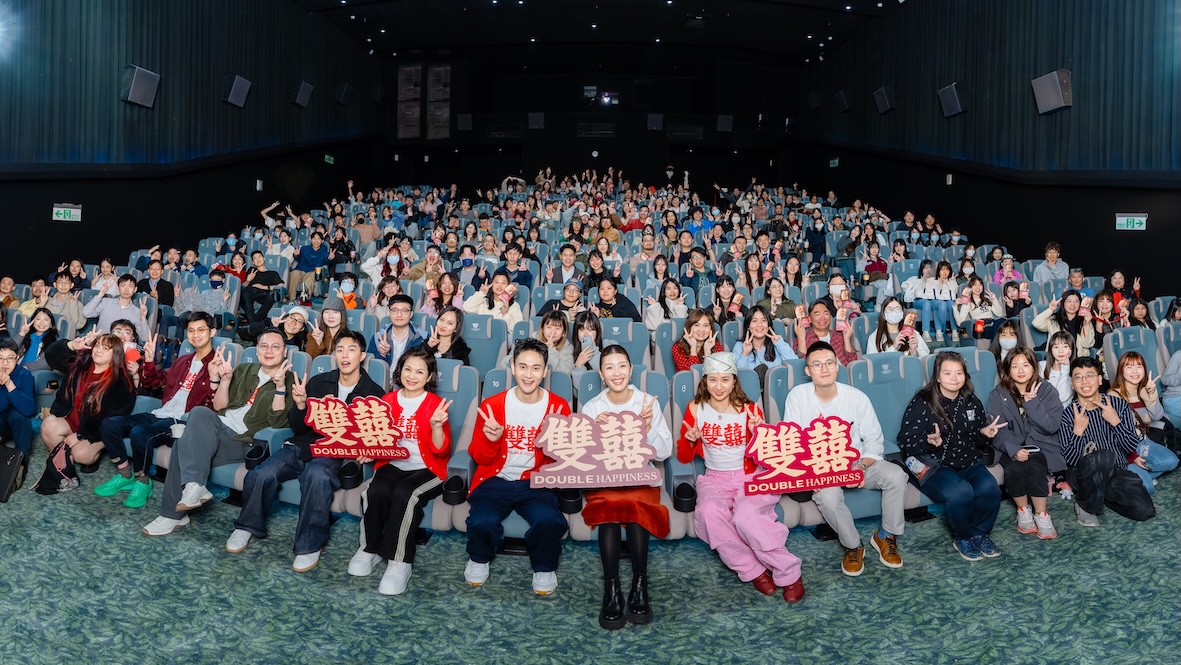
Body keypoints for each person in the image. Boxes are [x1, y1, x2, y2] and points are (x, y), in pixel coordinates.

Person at [227, 330, 385, 572]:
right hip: (302, 444)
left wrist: (367, 445)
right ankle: (247, 526)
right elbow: (299, 427)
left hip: (334, 452)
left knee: (317, 476)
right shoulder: (319, 382)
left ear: (362, 355)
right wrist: (301, 405)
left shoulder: (374, 393)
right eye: (340, 350)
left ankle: (310, 545)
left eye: (351, 350)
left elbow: (374, 434)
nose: (345, 355)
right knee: (261, 474)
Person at [142, 327, 295, 537]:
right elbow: (220, 407)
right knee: (196, 419)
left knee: (183, 442)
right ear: (257, 350)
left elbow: (278, 423)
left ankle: (174, 513)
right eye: (264, 346)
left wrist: (280, 388)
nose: (269, 351)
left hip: (244, 441)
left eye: (275, 347)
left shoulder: (291, 381)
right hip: (218, 429)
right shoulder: (244, 370)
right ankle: (192, 490)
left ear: (285, 351)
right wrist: (223, 380)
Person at [677, 352, 804, 603]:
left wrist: (758, 434)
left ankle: (789, 573)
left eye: (725, 379)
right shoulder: (694, 408)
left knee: (747, 518)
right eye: (713, 380)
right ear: (705, 381)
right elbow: (683, 458)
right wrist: (689, 441)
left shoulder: (750, 409)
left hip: (751, 477)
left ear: (734, 381)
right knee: (709, 514)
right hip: (715, 479)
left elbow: (767, 457)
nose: (719, 386)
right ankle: (752, 569)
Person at [782, 341, 908, 575]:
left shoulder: (856, 397)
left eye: (829, 363)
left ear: (837, 366)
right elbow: (794, 442)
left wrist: (860, 466)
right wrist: (815, 471)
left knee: (896, 476)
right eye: (817, 365)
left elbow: (874, 442)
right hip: (819, 467)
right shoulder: (797, 397)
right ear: (807, 370)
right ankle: (853, 546)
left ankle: (886, 535)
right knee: (828, 497)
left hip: (856, 462)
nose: (824, 369)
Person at [464, 339, 572, 595]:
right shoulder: (492, 406)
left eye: (536, 368)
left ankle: (544, 566)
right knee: (481, 520)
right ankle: (479, 557)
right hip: (496, 478)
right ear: (512, 367)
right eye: (522, 367)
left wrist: (553, 444)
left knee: (548, 520)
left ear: (545, 371)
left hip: (536, 481)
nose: (528, 374)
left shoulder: (559, 407)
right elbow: (479, 457)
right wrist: (491, 440)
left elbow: (564, 460)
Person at [576, 346, 673, 627]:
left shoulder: (647, 402)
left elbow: (664, 452)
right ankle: (612, 587)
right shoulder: (593, 407)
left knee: (635, 505)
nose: (616, 373)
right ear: (601, 373)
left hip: (640, 475)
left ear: (631, 370)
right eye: (609, 367)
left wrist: (647, 427)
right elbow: (582, 459)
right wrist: (593, 433)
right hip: (604, 477)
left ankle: (640, 583)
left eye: (622, 366)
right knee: (608, 508)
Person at [96, 315, 218, 509]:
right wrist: (149, 361)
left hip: (182, 421)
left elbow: (216, 405)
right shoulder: (183, 361)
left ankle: (143, 481)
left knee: (139, 433)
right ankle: (125, 474)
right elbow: (155, 382)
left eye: (201, 330)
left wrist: (216, 378)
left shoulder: (217, 364)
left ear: (212, 332)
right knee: (110, 424)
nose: (195, 334)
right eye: (191, 330)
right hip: (160, 413)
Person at [898, 351, 1005, 561]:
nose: (954, 378)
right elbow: (905, 441)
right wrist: (928, 442)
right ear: (937, 377)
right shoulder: (922, 402)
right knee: (961, 492)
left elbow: (975, 438)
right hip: (933, 465)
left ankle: (980, 534)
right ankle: (962, 537)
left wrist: (984, 433)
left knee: (990, 488)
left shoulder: (971, 400)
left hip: (966, 460)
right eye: (947, 373)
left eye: (959, 373)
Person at [1059, 357, 1155, 527]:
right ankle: (1085, 505)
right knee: (1104, 456)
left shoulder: (1118, 405)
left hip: (1116, 472)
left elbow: (1130, 447)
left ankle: (1100, 493)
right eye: (1078, 377)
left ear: (1099, 379)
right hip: (1082, 474)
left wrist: (1116, 422)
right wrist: (1077, 432)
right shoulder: (1068, 414)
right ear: (1072, 383)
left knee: (1144, 510)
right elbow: (1070, 460)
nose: (1084, 381)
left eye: (1090, 375)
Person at [988, 347, 1065, 540]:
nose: (1021, 370)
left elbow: (1051, 426)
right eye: (1015, 366)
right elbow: (997, 430)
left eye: (1026, 365)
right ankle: (1023, 510)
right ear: (1008, 369)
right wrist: (1014, 450)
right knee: (1014, 468)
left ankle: (1041, 514)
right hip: (1009, 447)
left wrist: (1032, 403)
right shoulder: (998, 394)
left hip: (1041, 445)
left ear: (1034, 367)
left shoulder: (1047, 390)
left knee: (1034, 465)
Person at [40, 333, 137, 471]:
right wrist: (71, 345)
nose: (99, 350)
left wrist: (80, 435)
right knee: (48, 425)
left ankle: (92, 449)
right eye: (97, 345)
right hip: (71, 420)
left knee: (81, 455)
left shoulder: (119, 381)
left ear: (115, 354)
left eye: (105, 348)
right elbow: (51, 357)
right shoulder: (81, 363)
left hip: (95, 430)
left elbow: (109, 418)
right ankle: (63, 460)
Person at [1107, 352, 1178, 492]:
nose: (1135, 371)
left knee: (1173, 461)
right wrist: (1132, 456)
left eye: (1139, 366)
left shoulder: (1145, 391)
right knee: (1148, 489)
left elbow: (1157, 415)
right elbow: (1115, 432)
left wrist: (1151, 395)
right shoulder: (1114, 395)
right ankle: (1135, 476)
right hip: (1125, 447)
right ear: (1121, 370)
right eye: (1129, 367)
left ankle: (1140, 476)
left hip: (1143, 442)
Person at [0, 338, 36, 484]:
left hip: (13, 421)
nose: (5, 363)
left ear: (17, 358)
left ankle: (21, 458)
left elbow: (28, 410)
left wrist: (9, 384)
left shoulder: (24, 375)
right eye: (0, 359)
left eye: (10, 358)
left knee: (20, 415)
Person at [732, 306, 796, 384]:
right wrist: (745, 354)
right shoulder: (739, 346)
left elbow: (794, 366)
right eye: (754, 321)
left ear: (769, 326)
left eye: (764, 320)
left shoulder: (778, 345)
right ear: (748, 326)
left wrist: (780, 344)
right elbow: (736, 377)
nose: (760, 324)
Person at [83, 274, 151, 340]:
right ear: (118, 288)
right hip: (101, 343)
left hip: (121, 346)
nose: (126, 289)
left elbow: (145, 338)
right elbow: (87, 313)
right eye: (123, 286)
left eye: (130, 286)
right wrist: (100, 294)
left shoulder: (137, 312)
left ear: (135, 289)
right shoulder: (106, 302)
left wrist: (143, 318)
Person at [368, 295, 426, 373]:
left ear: (411, 314)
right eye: (394, 310)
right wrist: (382, 354)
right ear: (389, 313)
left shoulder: (422, 337)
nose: (399, 315)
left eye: (404, 310)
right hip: (384, 378)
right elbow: (371, 368)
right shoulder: (378, 338)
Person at [1033, 290, 1095, 357]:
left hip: (1078, 358)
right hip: (1058, 357)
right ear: (1063, 303)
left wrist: (1087, 324)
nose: (1072, 304)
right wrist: (1050, 310)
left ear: (1080, 304)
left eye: (1076, 301)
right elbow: (1036, 323)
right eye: (1069, 301)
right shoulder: (1054, 320)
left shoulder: (1085, 320)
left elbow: (1088, 344)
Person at [794, 299, 857, 365]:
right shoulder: (803, 339)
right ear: (809, 319)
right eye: (817, 314)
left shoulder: (839, 336)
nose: (822, 318)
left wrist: (847, 339)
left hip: (843, 370)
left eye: (826, 313)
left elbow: (853, 363)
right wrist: (801, 338)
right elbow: (802, 366)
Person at [953, 275, 1005, 339]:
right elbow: (960, 322)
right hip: (979, 324)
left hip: (992, 322)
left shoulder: (987, 298)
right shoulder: (968, 302)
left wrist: (994, 299)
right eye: (975, 285)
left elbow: (999, 314)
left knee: (1004, 321)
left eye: (980, 285)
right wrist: (955, 306)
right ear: (970, 287)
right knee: (992, 330)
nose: (978, 287)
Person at [241, 251, 283, 324]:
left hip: (262, 293)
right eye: (255, 258)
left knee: (270, 299)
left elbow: (281, 286)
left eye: (259, 257)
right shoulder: (251, 270)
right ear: (253, 262)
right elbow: (243, 286)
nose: (258, 259)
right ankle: (254, 324)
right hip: (249, 291)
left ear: (264, 258)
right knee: (245, 297)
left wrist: (264, 287)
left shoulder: (272, 273)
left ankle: (254, 322)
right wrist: (248, 280)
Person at [288, 232, 331, 300]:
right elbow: (298, 259)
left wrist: (330, 258)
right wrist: (296, 255)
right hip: (301, 270)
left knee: (311, 276)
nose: (316, 241)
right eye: (314, 238)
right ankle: (291, 299)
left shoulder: (324, 252)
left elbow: (327, 261)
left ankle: (305, 295)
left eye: (318, 239)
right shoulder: (304, 248)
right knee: (294, 274)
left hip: (312, 271)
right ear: (311, 239)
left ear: (322, 241)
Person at [1039, 331, 1076, 407]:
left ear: (1071, 349)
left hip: (1062, 412)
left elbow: (1060, 398)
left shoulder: (1075, 372)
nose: (1060, 351)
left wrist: (1065, 368)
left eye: (1065, 346)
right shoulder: (1042, 366)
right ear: (1051, 349)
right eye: (1056, 347)